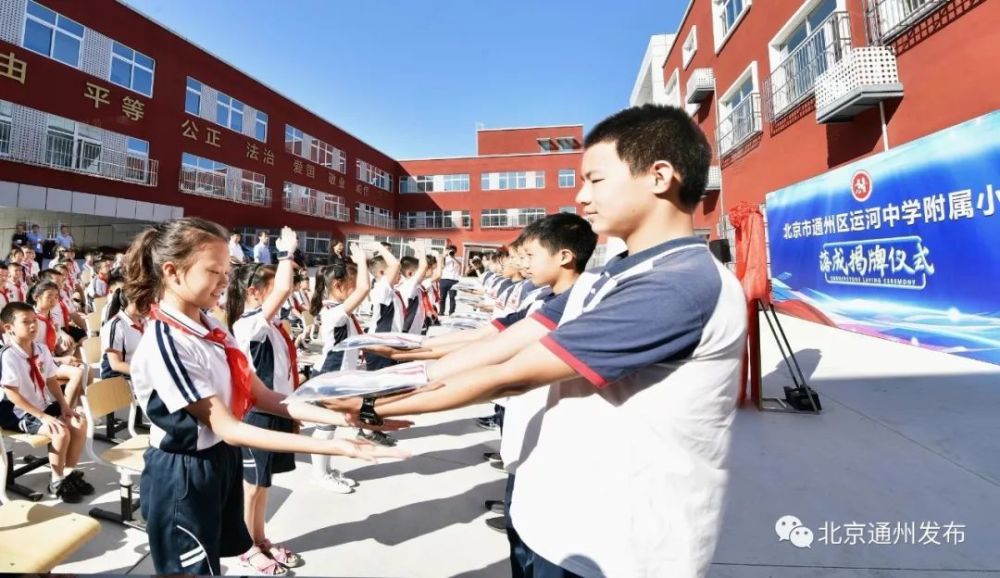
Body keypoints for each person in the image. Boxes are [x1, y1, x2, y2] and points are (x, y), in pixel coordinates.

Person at [343, 105, 747, 578]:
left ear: (659, 176)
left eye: (595, 180)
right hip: (562, 523)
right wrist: (405, 371)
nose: (581, 196)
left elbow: (511, 375)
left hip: (622, 549)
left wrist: (375, 405)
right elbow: (505, 342)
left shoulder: (680, 284)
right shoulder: (609, 277)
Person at [123, 218, 410, 575]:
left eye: (227, 270)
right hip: (184, 472)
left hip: (217, 460)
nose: (226, 281)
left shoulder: (211, 327)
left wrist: (346, 417)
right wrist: (337, 447)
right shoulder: (167, 341)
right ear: (172, 271)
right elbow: (228, 427)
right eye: (214, 271)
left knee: (211, 562)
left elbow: (263, 396)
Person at [0, 301, 93, 503]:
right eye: (26, 322)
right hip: (18, 412)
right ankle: (56, 480)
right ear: (9, 328)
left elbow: (51, 380)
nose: (34, 326)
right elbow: (12, 393)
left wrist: (65, 406)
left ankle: (68, 472)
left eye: (34, 321)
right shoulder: (9, 356)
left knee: (78, 422)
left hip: (41, 405)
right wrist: (43, 417)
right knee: (60, 431)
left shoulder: (41, 349)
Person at [308, 246, 371, 493]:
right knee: (324, 427)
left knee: (329, 427)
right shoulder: (335, 313)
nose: (356, 290)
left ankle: (324, 470)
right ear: (337, 285)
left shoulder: (336, 311)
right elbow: (366, 289)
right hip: (329, 376)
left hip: (338, 375)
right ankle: (320, 474)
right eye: (351, 285)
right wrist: (362, 263)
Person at [98, 288, 145, 379]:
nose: (144, 304)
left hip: (139, 373)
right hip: (119, 378)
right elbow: (116, 364)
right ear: (126, 302)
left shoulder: (145, 321)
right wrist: (144, 374)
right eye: (139, 301)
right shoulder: (115, 325)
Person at [438, 245, 462, 316]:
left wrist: (453, 257)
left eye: (452, 251)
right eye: (449, 250)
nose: (451, 252)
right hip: (444, 279)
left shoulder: (459, 258)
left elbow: (460, 265)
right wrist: (444, 256)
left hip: (454, 281)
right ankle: (441, 312)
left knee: (452, 297)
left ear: (455, 251)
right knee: (442, 297)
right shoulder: (444, 258)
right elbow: (441, 266)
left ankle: (451, 313)